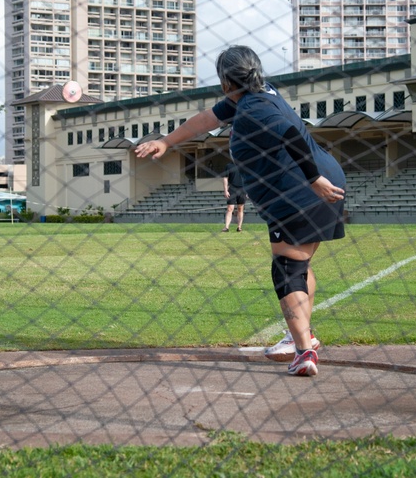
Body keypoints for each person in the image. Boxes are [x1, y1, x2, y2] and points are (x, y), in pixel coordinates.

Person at [135, 45, 346, 377]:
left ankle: (303, 349)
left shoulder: (252, 108)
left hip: (301, 190)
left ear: (224, 82)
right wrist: (167, 141)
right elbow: (206, 119)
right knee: (298, 263)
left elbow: (290, 134)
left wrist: (313, 179)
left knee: (287, 270)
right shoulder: (256, 95)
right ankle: (300, 338)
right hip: (321, 182)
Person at [222, 160, 246, 232]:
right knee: (230, 208)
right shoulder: (228, 166)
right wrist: (226, 190)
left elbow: (248, 178)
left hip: (242, 189)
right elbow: (225, 178)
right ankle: (226, 227)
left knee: (240, 208)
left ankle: (239, 227)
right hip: (232, 189)